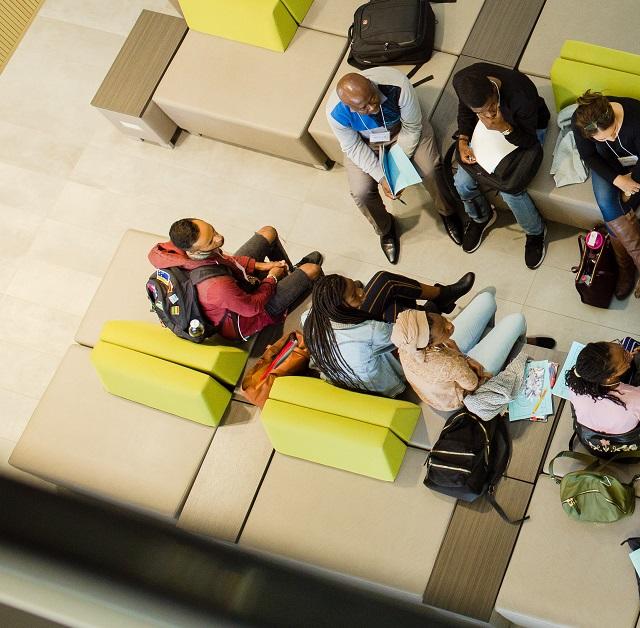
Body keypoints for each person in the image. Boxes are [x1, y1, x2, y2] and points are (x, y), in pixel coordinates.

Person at [327, 71, 456, 263]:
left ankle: (448, 212)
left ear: (371, 84)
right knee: (360, 192)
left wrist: (395, 169)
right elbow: (352, 146)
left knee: (431, 170)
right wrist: (382, 176)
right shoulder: (336, 113)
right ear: (350, 108)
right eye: (363, 107)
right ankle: (385, 229)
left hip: (403, 131)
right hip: (366, 142)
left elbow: (413, 127)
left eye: (373, 98)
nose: (373, 107)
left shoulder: (398, 85)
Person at [301, 271, 474, 398]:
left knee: (386, 284)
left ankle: (441, 298)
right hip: (385, 385)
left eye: (356, 285)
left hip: (345, 376)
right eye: (354, 295)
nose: (362, 291)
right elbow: (407, 335)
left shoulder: (308, 318)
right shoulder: (368, 332)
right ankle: (439, 301)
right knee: (398, 307)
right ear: (340, 307)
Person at [150, 220, 322, 341]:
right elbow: (252, 307)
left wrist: (261, 266)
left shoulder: (183, 251)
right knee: (312, 270)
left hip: (236, 284)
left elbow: (225, 261)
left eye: (213, 230)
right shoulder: (215, 286)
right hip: (244, 318)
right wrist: (272, 278)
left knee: (268, 232)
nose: (219, 238)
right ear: (194, 252)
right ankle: (322, 296)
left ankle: (292, 273)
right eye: (211, 241)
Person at [451, 63, 551, 267]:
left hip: (524, 131)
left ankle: (535, 231)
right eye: (480, 112)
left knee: (510, 190)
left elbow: (530, 141)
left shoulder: (521, 94)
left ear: (492, 89)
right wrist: (462, 140)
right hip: (487, 136)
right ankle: (481, 217)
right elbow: (465, 112)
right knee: (461, 181)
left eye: (490, 108)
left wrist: (504, 128)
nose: (487, 115)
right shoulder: (462, 80)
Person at [572, 90, 640, 298]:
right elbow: (588, 155)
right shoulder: (581, 123)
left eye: (613, 132)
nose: (612, 138)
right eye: (603, 138)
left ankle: (629, 268)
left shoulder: (636, 115)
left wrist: (631, 183)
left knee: (620, 208)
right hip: (610, 163)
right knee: (609, 203)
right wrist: (618, 180)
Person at [392, 291, 552, 412]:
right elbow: (472, 383)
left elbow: (445, 343)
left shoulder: (407, 339)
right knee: (517, 320)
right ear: (429, 343)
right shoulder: (448, 364)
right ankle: (521, 344)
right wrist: (462, 358)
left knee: (486, 298)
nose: (450, 326)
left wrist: (446, 341)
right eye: (445, 330)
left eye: (445, 320)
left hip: (447, 358)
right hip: (458, 390)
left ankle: (501, 337)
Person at [565, 328, 640, 454]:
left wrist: (625, 361)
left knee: (626, 343)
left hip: (593, 444)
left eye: (619, 345)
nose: (629, 354)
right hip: (632, 446)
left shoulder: (575, 385)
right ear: (609, 377)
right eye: (625, 357)